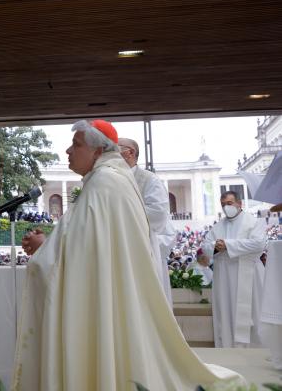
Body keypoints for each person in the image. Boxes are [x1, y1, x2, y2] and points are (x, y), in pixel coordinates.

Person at [14, 119, 240, 390]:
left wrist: (45, 248)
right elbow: (88, 240)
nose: (67, 151)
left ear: (97, 151)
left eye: (76, 145)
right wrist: (50, 243)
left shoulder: (104, 182)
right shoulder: (108, 179)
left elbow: (84, 248)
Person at [201, 190, 267, 347]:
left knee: (253, 312)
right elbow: (205, 246)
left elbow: (259, 244)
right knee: (226, 312)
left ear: (239, 203)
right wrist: (216, 247)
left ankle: (256, 349)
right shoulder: (218, 226)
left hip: (249, 275)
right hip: (224, 277)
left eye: (229, 204)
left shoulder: (253, 222)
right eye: (223, 205)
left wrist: (228, 245)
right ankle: (228, 348)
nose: (226, 207)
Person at [118, 137, 174, 303]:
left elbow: (157, 213)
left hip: (143, 253)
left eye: (115, 149)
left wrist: (118, 212)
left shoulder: (149, 180)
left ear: (130, 153)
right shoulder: (112, 178)